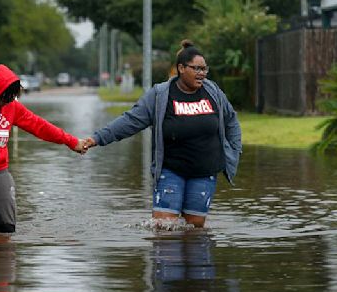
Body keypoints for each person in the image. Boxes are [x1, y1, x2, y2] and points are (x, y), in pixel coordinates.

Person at [85, 40, 241, 227]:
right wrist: (97, 139)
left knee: (195, 233)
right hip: (171, 171)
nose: (202, 74)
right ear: (181, 68)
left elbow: (231, 120)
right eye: (196, 69)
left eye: (204, 69)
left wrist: (234, 149)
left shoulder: (213, 92)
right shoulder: (160, 95)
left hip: (204, 172)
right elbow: (131, 120)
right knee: (163, 229)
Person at [0, 64, 87, 233]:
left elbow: (40, 126)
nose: (8, 101)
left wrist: (71, 141)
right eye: (5, 96)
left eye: (12, 97)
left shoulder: (11, 107)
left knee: (6, 233)